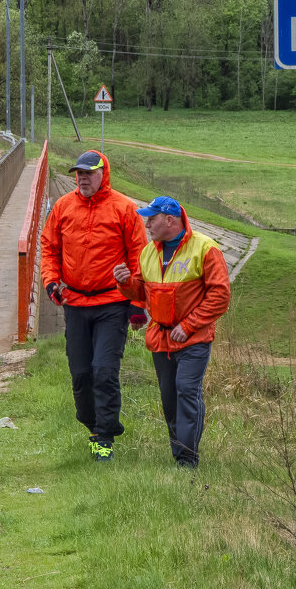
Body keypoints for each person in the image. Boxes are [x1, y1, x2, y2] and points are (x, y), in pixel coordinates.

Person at [41, 150, 148, 462]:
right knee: (81, 374)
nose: (82, 178)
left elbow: (138, 257)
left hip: (112, 303)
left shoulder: (124, 209)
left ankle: (105, 436)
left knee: (104, 370)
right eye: (79, 173)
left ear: (104, 174)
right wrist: (51, 281)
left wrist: (137, 302)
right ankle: (92, 424)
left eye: (89, 173)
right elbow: (49, 246)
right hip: (74, 302)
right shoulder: (63, 207)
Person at [112, 196, 231, 468]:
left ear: (169, 219)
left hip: (194, 339)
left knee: (186, 390)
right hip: (161, 339)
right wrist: (125, 284)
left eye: (151, 219)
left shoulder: (205, 248)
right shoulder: (149, 252)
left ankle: (188, 459)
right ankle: (179, 454)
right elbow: (141, 292)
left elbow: (220, 295)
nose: (147, 224)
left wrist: (188, 325)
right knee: (169, 398)